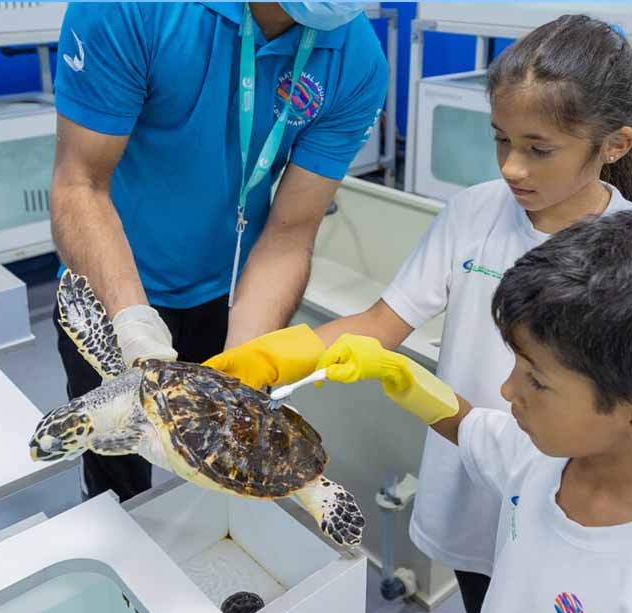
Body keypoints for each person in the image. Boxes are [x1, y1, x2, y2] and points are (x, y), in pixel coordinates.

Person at [206, 15, 632, 613]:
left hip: (572, 522)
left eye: (538, 149)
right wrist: (274, 357)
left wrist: (602, 506)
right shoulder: (474, 214)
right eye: (500, 140)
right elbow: (382, 321)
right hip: (471, 487)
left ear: (613, 145)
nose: (511, 167)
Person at [316, 211, 632, 613]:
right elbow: (467, 425)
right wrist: (398, 374)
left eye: (537, 380)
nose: (507, 390)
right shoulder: (540, 459)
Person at [49, 2, 388, 501]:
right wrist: (133, 324)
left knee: (225, 467)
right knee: (116, 476)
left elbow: (290, 233)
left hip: (232, 290)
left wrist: (246, 364)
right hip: (111, 287)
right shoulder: (134, 9)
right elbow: (80, 184)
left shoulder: (356, 59)